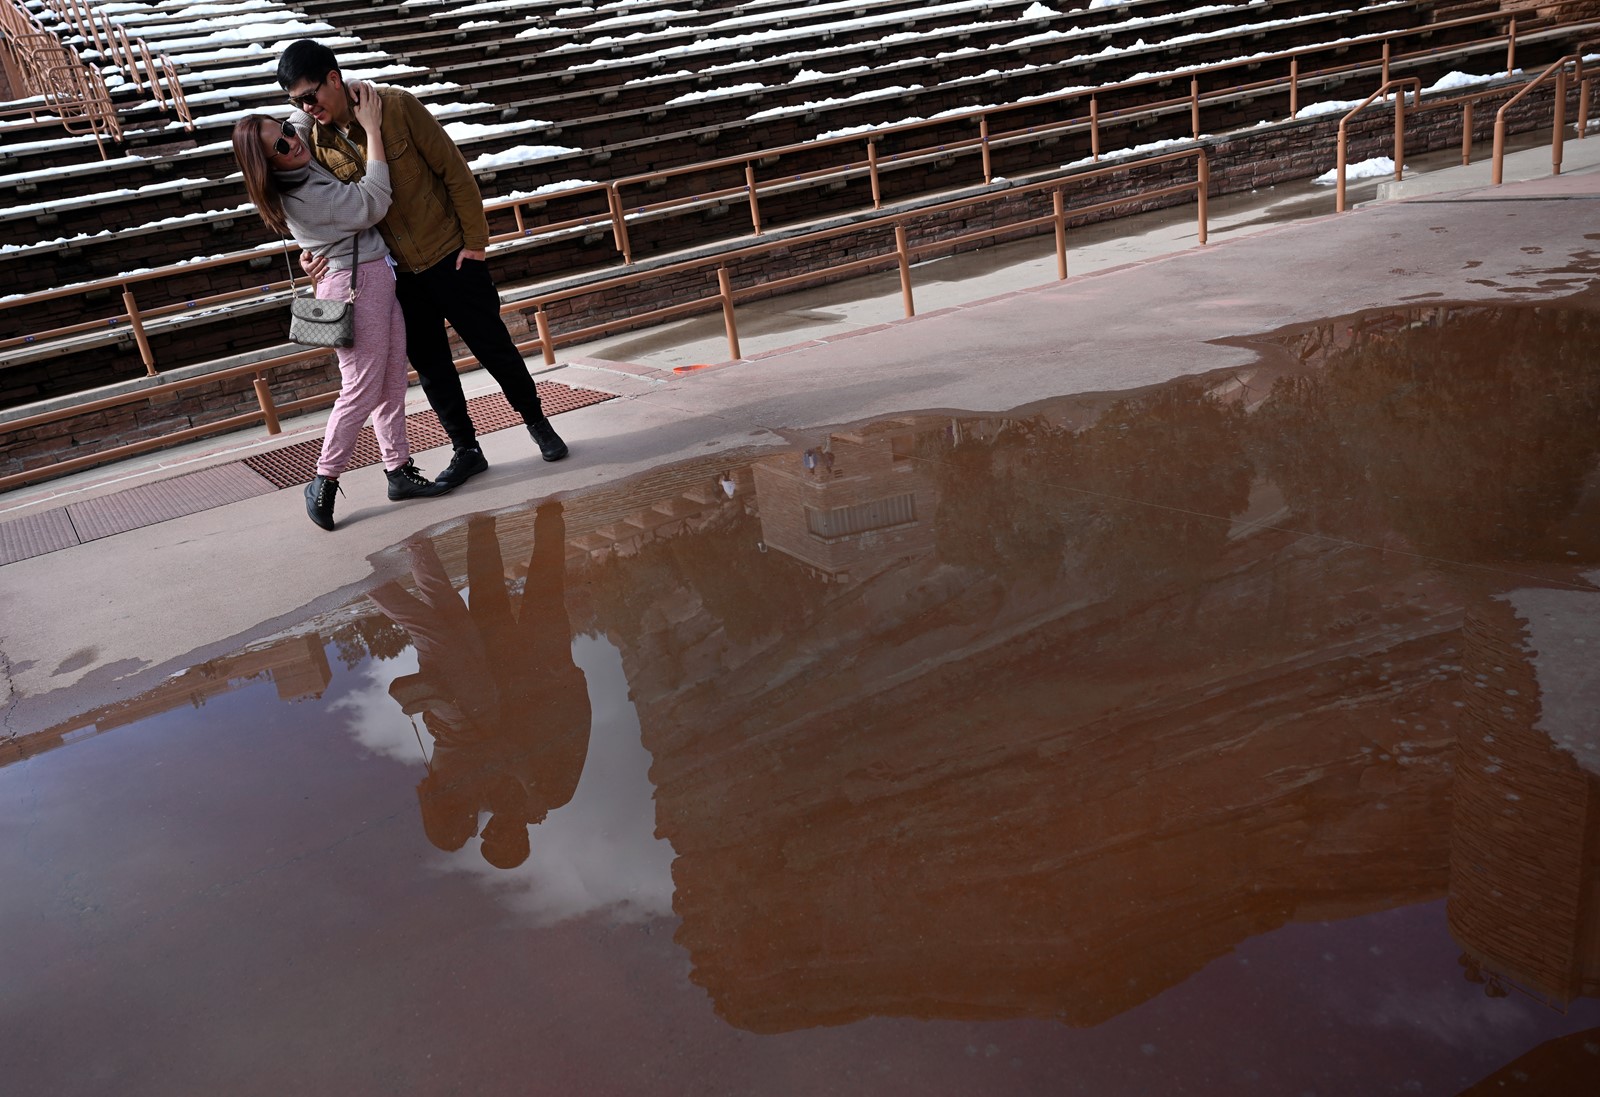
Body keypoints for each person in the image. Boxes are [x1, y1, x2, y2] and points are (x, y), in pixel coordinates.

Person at [277, 40, 569, 491]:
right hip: (397, 276)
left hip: (451, 255)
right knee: (433, 368)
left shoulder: (395, 106)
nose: (306, 107)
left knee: (493, 347)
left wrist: (475, 243)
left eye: (309, 95)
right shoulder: (314, 143)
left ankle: (538, 423)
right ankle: (466, 449)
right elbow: (324, 210)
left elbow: (455, 171)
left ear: (334, 78)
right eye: (296, 101)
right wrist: (311, 252)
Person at [232, 89, 451, 532]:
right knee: (361, 390)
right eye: (279, 145)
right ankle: (324, 478)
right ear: (265, 162)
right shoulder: (300, 195)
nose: (293, 143)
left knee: (390, 383)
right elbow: (373, 201)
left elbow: (304, 111)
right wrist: (371, 128)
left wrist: (321, 93)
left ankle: (398, 469)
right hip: (355, 285)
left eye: (288, 133)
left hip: (374, 277)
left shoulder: (298, 157)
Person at [369, 504, 591, 869]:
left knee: (485, 591)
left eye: (485, 838)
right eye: (498, 840)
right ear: (519, 839)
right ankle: (549, 515)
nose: (488, 832)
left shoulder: (485, 798)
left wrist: (439, 718)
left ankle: (480, 521)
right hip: (545, 674)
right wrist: (569, 679)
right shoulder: (555, 795)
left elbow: (467, 749)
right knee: (545, 587)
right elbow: (578, 728)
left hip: (498, 674)